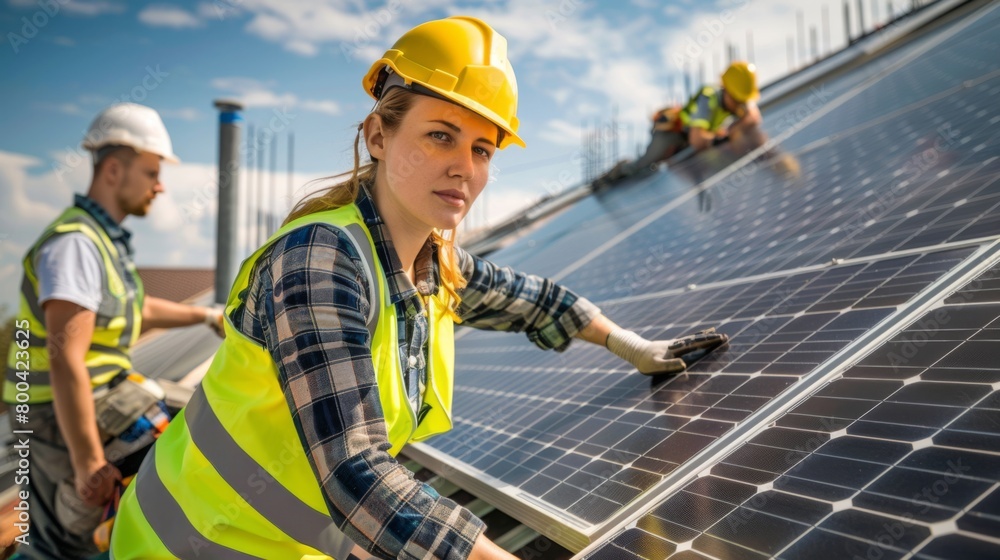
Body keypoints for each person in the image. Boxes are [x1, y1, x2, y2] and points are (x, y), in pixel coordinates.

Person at [110, 16, 729, 560]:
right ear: (379, 136)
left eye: (482, 148)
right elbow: (357, 472)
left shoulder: (437, 266)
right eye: (440, 135)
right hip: (183, 544)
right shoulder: (320, 259)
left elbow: (534, 300)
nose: (466, 166)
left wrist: (632, 346)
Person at [3, 103, 225, 559]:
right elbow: (67, 359)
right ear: (111, 170)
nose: (160, 186)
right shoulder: (76, 246)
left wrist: (206, 316)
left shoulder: (99, 241)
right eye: (150, 173)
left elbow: (131, 310)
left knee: (197, 424)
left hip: (94, 395)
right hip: (53, 413)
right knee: (60, 544)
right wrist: (87, 462)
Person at [608, 61, 763, 183]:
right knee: (646, 163)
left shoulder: (738, 100)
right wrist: (726, 137)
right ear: (727, 90)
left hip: (692, 138)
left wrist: (734, 130)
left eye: (743, 101)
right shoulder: (708, 96)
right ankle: (621, 170)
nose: (740, 106)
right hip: (673, 133)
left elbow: (754, 116)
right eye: (737, 101)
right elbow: (697, 141)